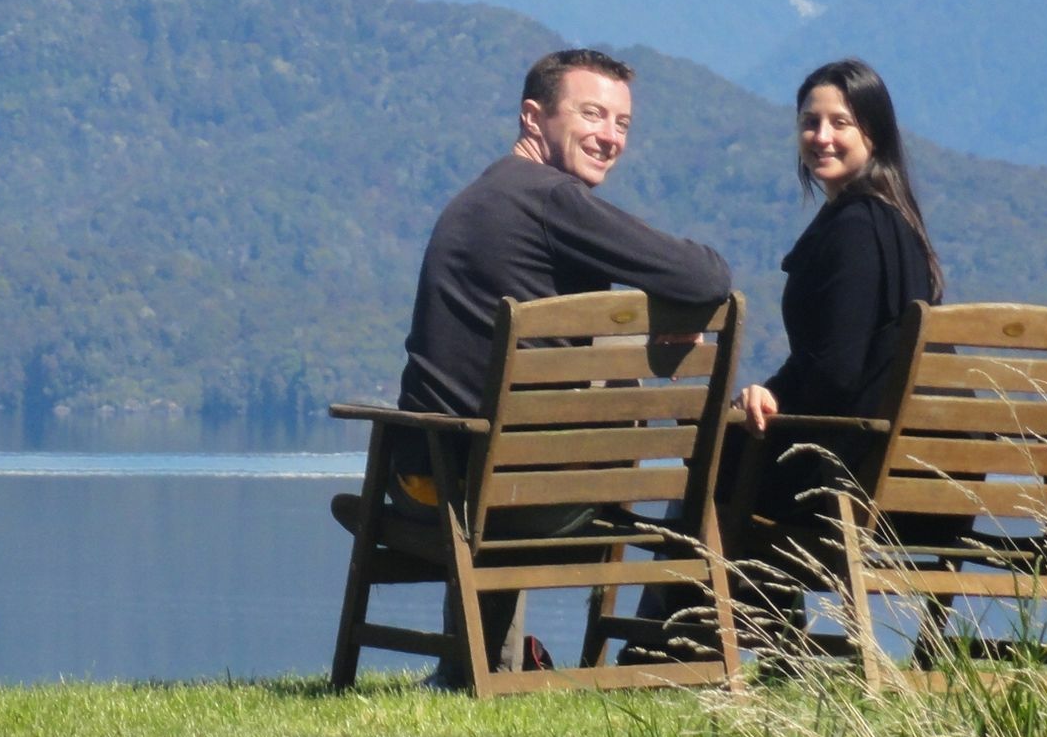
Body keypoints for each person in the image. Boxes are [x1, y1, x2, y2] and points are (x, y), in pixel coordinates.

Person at [394, 47, 732, 682]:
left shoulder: (486, 199)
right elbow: (705, 273)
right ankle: (484, 667)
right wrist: (669, 314)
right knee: (517, 441)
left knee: (494, 441)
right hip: (524, 494)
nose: (609, 137)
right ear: (533, 117)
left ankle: (475, 669)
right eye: (593, 114)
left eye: (622, 124)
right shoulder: (552, 202)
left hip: (443, 483)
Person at [733, 56, 945, 527]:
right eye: (810, 123)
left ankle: (725, 604)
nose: (821, 136)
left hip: (848, 485)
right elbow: (834, 356)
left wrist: (769, 403)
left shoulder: (854, 230)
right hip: (922, 489)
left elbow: (838, 372)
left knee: (713, 465)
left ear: (874, 133)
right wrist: (768, 393)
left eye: (840, 122)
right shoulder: (900, 225)